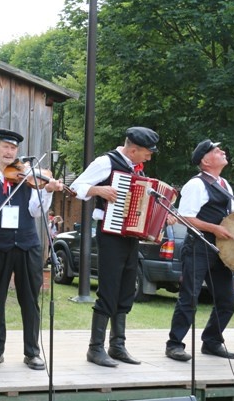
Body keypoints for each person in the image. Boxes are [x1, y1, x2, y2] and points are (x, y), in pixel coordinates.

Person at [0, 128, 64, 370]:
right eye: (5, 147)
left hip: (28, 245)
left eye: (14, 148)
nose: (10, 152)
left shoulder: (28, 178)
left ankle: (32, 352)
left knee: (30, 299)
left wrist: (47, 191)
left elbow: (36, 211)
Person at [69, 126, 163, 367]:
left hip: (130, 237)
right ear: (133, 149)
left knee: (126, 290)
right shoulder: (105, 162)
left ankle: (117, 345)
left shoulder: (134, 168)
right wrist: (98, 189)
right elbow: (76, 187)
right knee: (109, 289)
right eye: (146, 153)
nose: (149, 157)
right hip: (109, 235)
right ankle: (95, 348)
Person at [165, 139, 234, 361]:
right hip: (198, 247)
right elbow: (185, 217)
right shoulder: (195, 185)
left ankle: (212, 341)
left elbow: (232, 217)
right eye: (217, 151)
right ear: (206, 161)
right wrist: (214, 228)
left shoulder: (224, 184)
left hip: (221, 251)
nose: (222, 151)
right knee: (189, 297)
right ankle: (174, 344)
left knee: (227, 300)